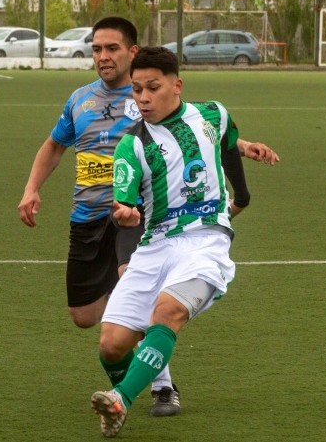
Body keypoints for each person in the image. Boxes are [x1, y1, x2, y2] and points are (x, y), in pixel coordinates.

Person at [17, 16, 279, 418]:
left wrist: (241, 156)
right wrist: (33, 189)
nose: (104, 57)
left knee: (162, 307)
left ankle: (152, 389)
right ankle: (138, 358)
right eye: (97, 49)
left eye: (112, 49)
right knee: (90, 322)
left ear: (132, 52)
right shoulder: (82, 102)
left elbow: (206, 134)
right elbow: (55, 146)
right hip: (93, 215)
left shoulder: (180, 106)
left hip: (153, 221)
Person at [89, 46, 251, 438]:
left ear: (176, 86)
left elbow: (228, 144)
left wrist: (241, 197)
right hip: (155, 244)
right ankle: (156, 384)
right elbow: (124, 202)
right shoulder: (132, 144)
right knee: (111, 346)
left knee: (167, 314)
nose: (142, 98)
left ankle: (120, 400)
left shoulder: (214, 113)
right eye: (136, 90)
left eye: (152, 88)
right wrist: (124, 212)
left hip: (204, 241)